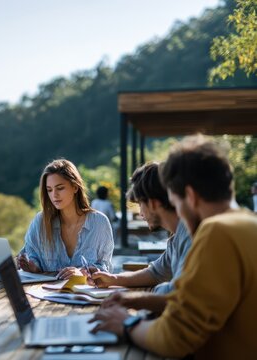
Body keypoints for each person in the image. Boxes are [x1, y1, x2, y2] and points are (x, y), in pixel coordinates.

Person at [89, 135, 257, 359]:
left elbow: (176, 337)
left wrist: (127, 324)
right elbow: (197, 303)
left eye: (176, 202)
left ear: (190, 195)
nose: (177, 212)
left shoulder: (217, 232)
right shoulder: (248, 223)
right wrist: (138, 300)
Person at [89, 162, 191, 312]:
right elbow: (156, 272)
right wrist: (114, 279)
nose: (140, 214)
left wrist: (133, 306)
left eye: (140, 204)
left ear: (153, 203)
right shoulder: (177, 236)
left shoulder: (191, 235)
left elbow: (180, 297)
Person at [17, 159, 114, 279]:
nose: (54, 195)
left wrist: (82, 273)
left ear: (75, 187)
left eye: (60, 188)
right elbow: (29, 256)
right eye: (49, 190)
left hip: (84, 295)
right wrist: (33, 268)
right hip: (43, 294)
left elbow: (105, 268)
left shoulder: (99, 223)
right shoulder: (40, 222)